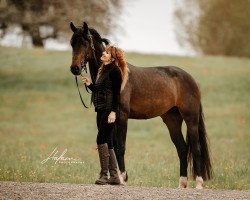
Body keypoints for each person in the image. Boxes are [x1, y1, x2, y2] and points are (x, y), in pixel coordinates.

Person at [82, 45, 128, 185]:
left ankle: (104, 175)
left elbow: (116, 94)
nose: (103, 53)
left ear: (112, 57)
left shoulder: (114, 71)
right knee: (107, 141)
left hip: (108, 110)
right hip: (101, 109)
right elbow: (98, 89)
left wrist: (113, 112)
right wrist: (89, 84)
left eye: (107, 52)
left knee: (101, 139)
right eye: (104, 51)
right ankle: (114, 176)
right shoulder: (103, 70)